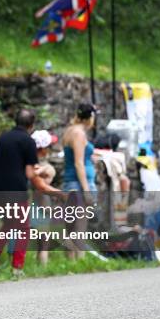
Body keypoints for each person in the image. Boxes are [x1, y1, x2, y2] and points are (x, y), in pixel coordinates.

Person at [0, 109, 38, 278]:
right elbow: (30, 174)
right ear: (32, 125)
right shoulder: (29, 141)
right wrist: (41, 172)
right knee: (23, 227)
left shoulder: (3, 137)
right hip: (15, 189)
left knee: (9, 222)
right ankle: (17, 268)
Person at [61, 102, 97, 259]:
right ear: (90, 118)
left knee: (71, 224)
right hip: (78, 183)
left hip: (70, 181)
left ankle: (71, 262)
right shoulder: (79, 134)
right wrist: (87, 190)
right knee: (80, 226)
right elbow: (78, 162)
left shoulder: (69, 131)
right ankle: (79, 260)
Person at [30, 130, 60, 266]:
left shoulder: (29, 163)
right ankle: (42, 269)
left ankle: (36, 268)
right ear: (42, 149)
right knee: (43, 245)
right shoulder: (39, 167)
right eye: (49, 146)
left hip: (32, 205)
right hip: (40, 207)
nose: (50, 149)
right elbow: (44, 184)